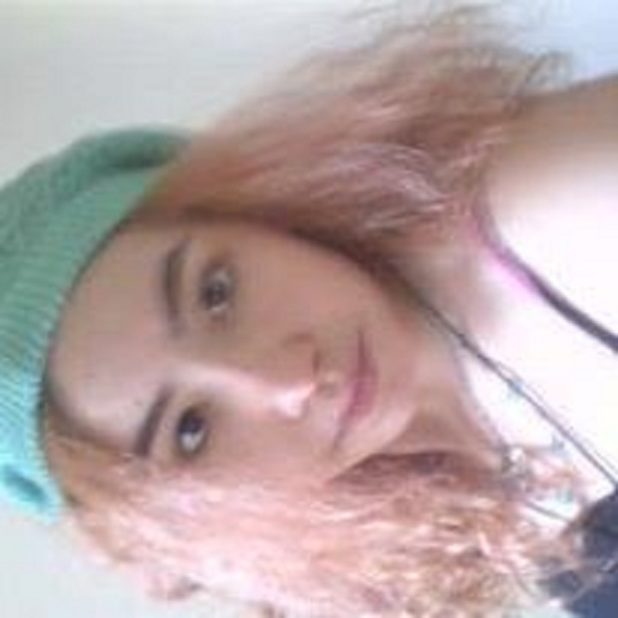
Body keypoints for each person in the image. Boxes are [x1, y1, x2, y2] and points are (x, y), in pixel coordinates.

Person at [0, 4, 616, 617]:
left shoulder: (560, 203)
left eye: (216, 292)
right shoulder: (421, 501)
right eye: (192, 430)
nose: (288, 379)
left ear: (250, 210)